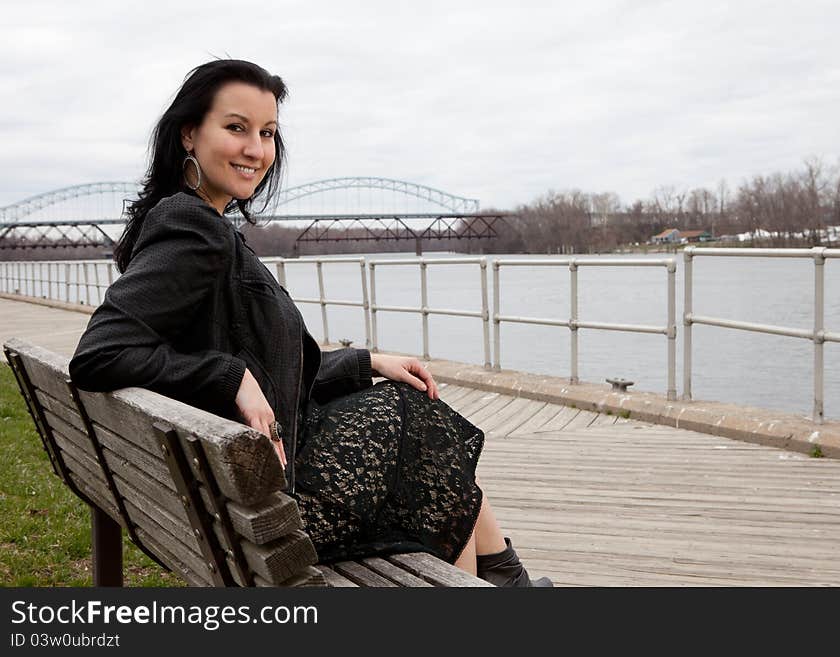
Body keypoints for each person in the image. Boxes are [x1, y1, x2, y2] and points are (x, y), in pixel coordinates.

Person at [69, 59, 551, 588]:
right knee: (419, 428)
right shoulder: (193, 229)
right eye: (236, 128)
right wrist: (229, 377)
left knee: (413, 418)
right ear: (190, 133)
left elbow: (271, 366)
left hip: (228, 501)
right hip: (271, 509)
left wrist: (365, 362)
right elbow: (99, 353)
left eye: (268, 133)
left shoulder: (195, 222)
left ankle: (505, 580)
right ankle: (501, 585)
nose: (256, 149)